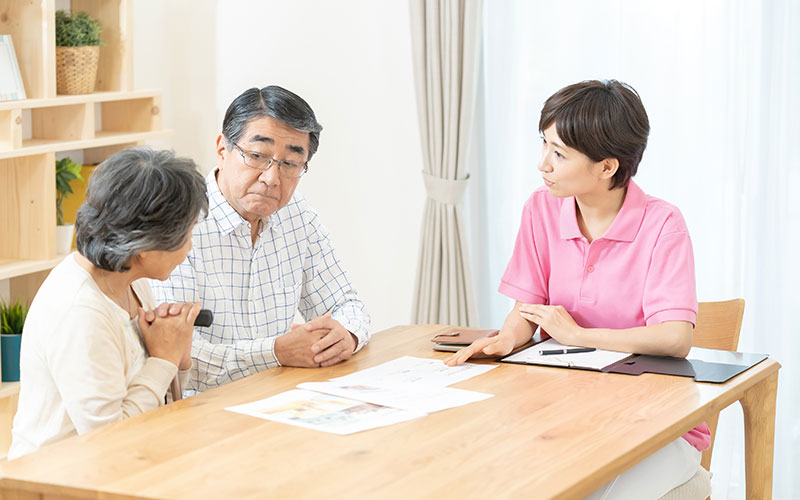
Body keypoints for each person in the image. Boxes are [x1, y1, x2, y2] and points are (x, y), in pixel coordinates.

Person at [445, 80, 708, 499]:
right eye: (544, 146)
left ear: (607, 167)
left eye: (559, 154)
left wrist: (580, 336)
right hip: (562, 411)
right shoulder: (540, 208)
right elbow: (526, 310)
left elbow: (676, 339)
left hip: (655, 420)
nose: (543, 164)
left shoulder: (663, 224)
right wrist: (504, 340)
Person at [150, 85, 370, 393]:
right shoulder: (179, 220)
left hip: (279, 399)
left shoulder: (298, 215)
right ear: (222, 150)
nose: (270, 178)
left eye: (290, 163)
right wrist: (277, 352)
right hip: (200, 412)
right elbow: (176, 355)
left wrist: (346, 335)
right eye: (257, 156)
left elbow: (347, 304)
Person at [9, 148, 208, 459]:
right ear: (145, 245)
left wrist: (176, 355)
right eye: (186, 234)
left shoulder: (131, 278)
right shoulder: (79, 311)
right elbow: (109, 438)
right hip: (60, 480)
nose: (190, 246)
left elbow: (153, 403)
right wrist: (164, 361)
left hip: (130, 462)